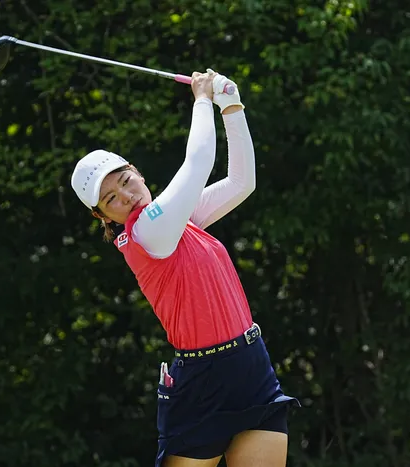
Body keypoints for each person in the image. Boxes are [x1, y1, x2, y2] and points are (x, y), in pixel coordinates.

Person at [71, 69, 299, 467]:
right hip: (201, 382)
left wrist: (232, 106)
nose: (126, 195)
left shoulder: (179, 219)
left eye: (125, 180)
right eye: (110, 199)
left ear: (138, 172)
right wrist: (202, 99)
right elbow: (199, 162)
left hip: (250, 365)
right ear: (102, 217)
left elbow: (241, 182)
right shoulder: (146, 233)